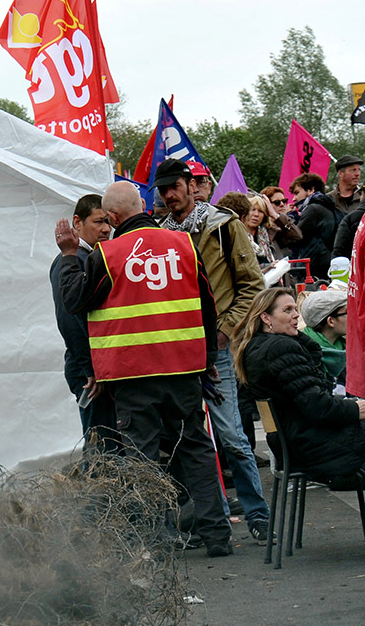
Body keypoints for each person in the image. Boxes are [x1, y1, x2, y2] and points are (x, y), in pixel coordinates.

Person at [55, 180, 234, 557]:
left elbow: (74, 299)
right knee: (196, 451)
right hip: (183, 371)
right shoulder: (183, 244)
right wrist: (207, 364)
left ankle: (157, 542)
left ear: (115, 217)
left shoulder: (108, 254)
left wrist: (70, 254)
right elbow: (208, 306)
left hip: (133, 376)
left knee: (143, 461)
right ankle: (218, 536)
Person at [156, 158, 271, 545]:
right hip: (180, 351)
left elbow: (252, 285)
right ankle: (217, 518)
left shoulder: (223, 225)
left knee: (231, 436)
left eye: (175, 186)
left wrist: (223, 333)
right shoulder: (159, 235)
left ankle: (258, 515)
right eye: (163, 189)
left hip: (216, 347)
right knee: (194, 439)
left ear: (191, 185)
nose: (169, 194)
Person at [234, 287, 365, 481]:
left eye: (295, 309)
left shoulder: (257, 346)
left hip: (292, 444)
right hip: (313, 447)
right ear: (266, 318)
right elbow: (318, 407)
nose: (296, 315)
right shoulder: (280, 348)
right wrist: (355, 409)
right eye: (287, 310)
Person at [50, 194, 118, 452]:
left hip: (94, 366)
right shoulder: (73, 261)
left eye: (109, 222)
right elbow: (69, 321)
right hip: (88, 370)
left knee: (106, 440)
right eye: (99, 221)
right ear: (77, 222)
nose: (106, 229)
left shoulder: (89, 258)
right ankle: (99, 493)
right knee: (101, 445)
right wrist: (92, 368)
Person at [283, 173, 338, 280]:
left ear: (311, 190)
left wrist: (289, 217)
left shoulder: (313, 209)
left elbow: (296, 236)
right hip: (323, 264)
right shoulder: (325, 206)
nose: (294, 199)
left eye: (297, 193)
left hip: (313, 266)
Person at [299, 289, 348, 385]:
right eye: (348, 312)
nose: (353, 317)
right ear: (331, 321)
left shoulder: (346, 348)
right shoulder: (303, 353)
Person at [258, 187, 302, 259]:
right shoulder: (262, 229)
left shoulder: (285, 224)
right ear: (266, 205)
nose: (282, 204)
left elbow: (298, 236)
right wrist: (273, 215)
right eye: (277, 202)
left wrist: (276, 216)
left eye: (284, 201)